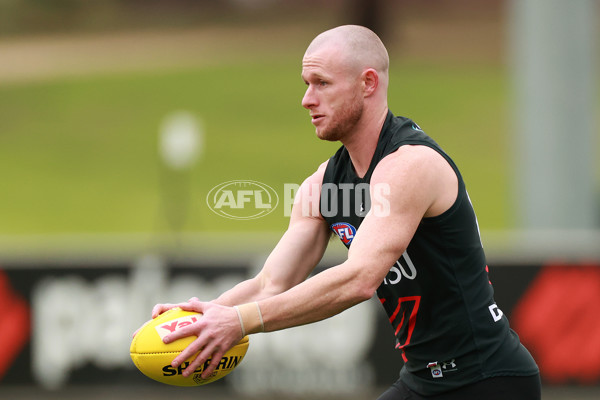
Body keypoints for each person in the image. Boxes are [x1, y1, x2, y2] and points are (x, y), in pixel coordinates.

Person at [148, 25, 541, 399]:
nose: (307, 99)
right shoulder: (322, 186)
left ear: (368, 83)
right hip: (424, 381)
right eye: (307, 85)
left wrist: (240, 322)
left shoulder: (410, 165)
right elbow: (271, 282)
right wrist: (208, 315)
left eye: (322, 83)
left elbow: (359, 279)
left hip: (488, 381)